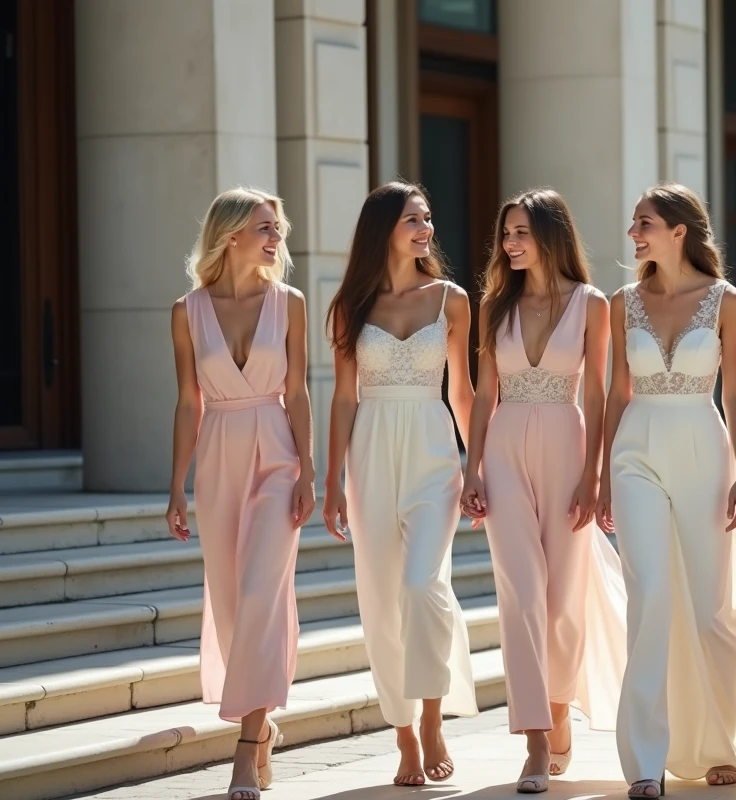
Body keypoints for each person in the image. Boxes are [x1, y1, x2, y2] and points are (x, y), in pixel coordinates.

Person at [599, 183, 736, 799]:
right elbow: (616, 394)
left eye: (644, 223)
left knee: (707, 608)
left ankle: (718, 742)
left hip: (706, 451)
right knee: (650, 595)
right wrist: (601, 474)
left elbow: (735, 394)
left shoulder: (725, 299)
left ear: (680, 231)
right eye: (633, 224)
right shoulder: (622, 301)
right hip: (636, 451)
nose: (634, 234)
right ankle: (646, 759)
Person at [460, 188, 627, 794]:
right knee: (521, 594)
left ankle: (558, 709)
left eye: (522, 233)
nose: (510, 244)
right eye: (506, 234)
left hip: (567, 444)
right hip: (504, 448)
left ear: (552, 236)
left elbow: (598, 393)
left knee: (562, 603)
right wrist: (472, 466)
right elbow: (484, 393)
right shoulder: (493, 304)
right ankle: (534, 739)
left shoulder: (591, 303)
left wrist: (595, 474)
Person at [323, 181, 477, 787]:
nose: (426, 229)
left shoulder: (452, 300)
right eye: (414, 219)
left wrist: (478, 463)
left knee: (422, 585)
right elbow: (341, 397)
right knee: (382, 599)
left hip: (434, 448)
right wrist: (331, 480)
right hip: (370, 451)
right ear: (383, 228)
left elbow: (462, 391)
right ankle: (406, 737)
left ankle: (434, 713)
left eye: (428, 219)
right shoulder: (350, 306)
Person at [166, 187, 318, 800]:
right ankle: (263, 722)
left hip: (276, 455)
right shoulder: (187, 310)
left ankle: (248, 746)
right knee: (231, 603)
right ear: (232, 235)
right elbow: (187, 401)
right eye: (266, 227)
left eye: (278, 227)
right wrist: (175, 482)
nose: (278, 236)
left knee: (261, 591)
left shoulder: (291, 304)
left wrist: (309, 469)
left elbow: (300, 392)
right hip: (219, 459)